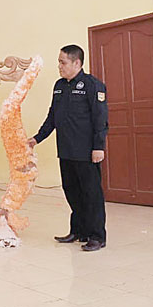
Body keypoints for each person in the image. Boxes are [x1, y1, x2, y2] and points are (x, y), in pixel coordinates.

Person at [28, 45, 109, 252]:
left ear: (77, 63)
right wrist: (37, 138)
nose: (59, 66)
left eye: (63, 62)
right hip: (66, 150)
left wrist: (98, 147)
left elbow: (101, 119)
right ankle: (79, 231)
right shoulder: (59, 86)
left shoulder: (93, 85)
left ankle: (97, 236)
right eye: (59, 62)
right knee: (72, 192)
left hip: (86, 152)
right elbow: (52, 117)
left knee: (91, 195)